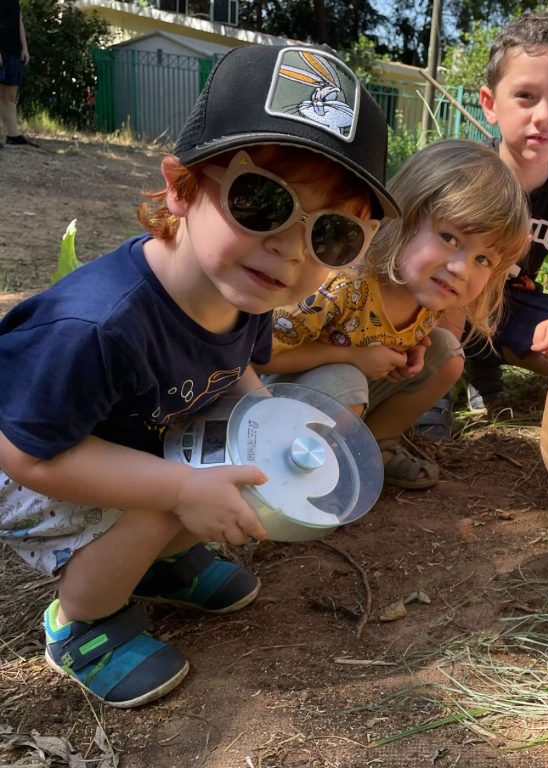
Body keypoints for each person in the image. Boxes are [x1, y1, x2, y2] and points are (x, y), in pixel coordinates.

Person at [0, 43, 399, 708]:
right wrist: (178, 489)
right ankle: (81, 622)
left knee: (231, 466)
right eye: (263, 203)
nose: (292, 249)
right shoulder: (102, 326)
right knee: (176, 497)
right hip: (35, 459)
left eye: (331, 236)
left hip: (121, 441)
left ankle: (152, 560)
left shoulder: (245, 291)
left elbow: (236, 363)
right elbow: (27, 453)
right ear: (183, 186)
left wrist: (264, 421)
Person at [259, 139, 530, 489]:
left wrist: (413, 347)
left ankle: (369, 447)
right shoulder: (340, 284)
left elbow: (388, 336)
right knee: (348, 379)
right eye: (449, 238)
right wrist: (354, 357)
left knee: (447, 355)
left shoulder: (430, 295)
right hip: (274, 398)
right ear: (404, 218)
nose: (462, 268)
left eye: (483, 260)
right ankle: (295, 467)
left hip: (348, 398)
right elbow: (257, 357)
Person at [431, 13, 548, 426]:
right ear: (490, 104)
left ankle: (486, 363)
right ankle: (432, 389)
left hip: (513, 303)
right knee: (450, 293)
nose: (544, 115)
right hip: (447, 295)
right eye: (526, 95)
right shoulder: (467, 171)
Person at [0, 0, 35, 146]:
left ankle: (14, 135)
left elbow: (18, 20)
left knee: (10, 94)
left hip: (13, 49)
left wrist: (24, 48)